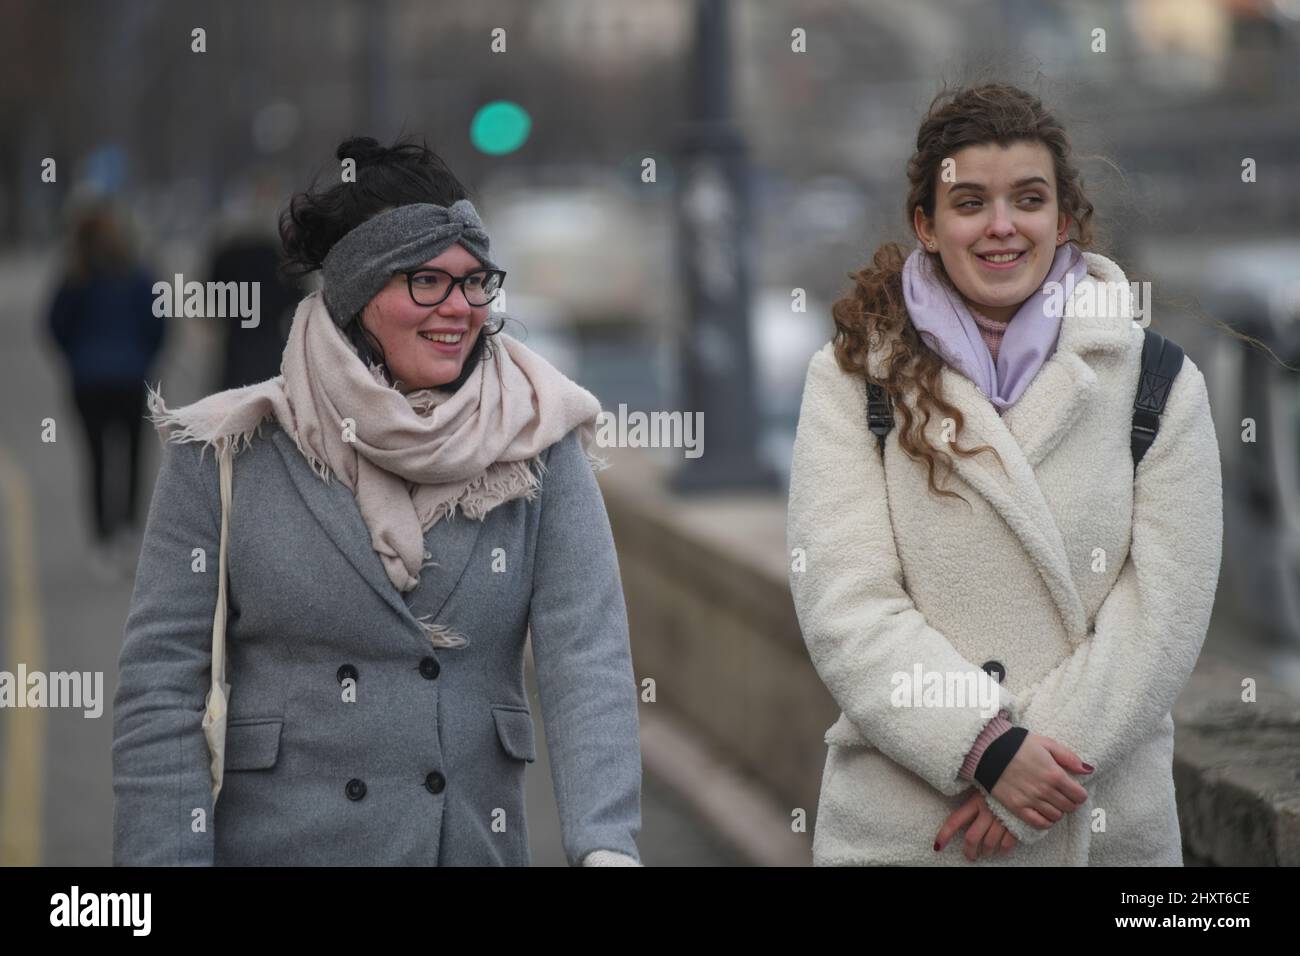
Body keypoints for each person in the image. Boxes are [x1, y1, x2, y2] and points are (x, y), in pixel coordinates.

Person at [111, 135, 643, 866]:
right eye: (427, 281)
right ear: (359, 294)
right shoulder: (229, 449)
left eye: (475, 281)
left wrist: (606, 845)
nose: (460, 308)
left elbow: (588, 658)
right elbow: (161, 688)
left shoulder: (537, 439)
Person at [786, 84, 1223, 865]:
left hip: (1098, 825)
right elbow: (845, 606)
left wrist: (1036, 770)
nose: (1001, 226)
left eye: (1028, 199)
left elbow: (1165, 614)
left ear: (1062, 221)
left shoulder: (1157, 384)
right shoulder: (856, 381)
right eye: (969, 202)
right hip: (911, 829)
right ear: (927, 224)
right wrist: (984, 748)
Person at [46, 202, 164, 578]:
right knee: (132, 456)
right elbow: (158, 319)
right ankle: (126, 532)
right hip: (131, 378)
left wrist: (75, 357)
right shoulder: (137, 273)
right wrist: (145, 358)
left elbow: (53, 324)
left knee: (96, 459)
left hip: (88, 382)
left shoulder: (74, 277)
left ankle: (101, 539)